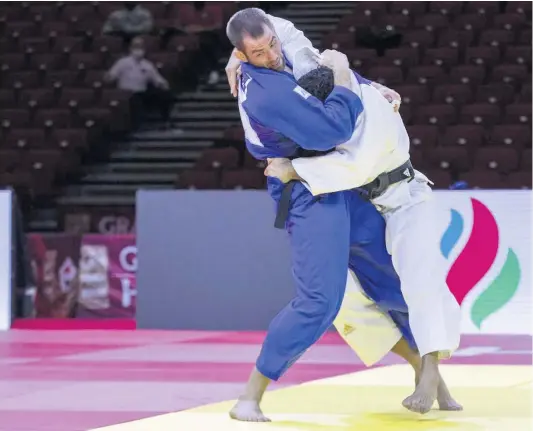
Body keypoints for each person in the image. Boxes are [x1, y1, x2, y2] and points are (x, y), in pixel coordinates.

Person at [225, 9, 460, 422]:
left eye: (271, 45)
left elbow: (290, 36)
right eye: (258, 53)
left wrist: (365, 82)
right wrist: (349, 78)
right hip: (305, 189)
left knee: (395, 281)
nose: (272, 55)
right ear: (243, 56)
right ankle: (250, 396)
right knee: (323, 300)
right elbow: (331, 132)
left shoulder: (278, 44)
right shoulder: (267, 91)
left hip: (338, 179)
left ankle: (429, 373)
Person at [104, 37, 175, 128]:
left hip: (142, 92)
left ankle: (165, 120)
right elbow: (111, 76)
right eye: (136, 46)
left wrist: (163, 84)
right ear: (130, 48)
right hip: (126, 93)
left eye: (141, 46)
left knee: (164, 94)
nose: (139, 49)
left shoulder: (147, 64)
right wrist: (108, 77)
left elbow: (157, 79)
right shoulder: (122, 62)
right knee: (134, 102)